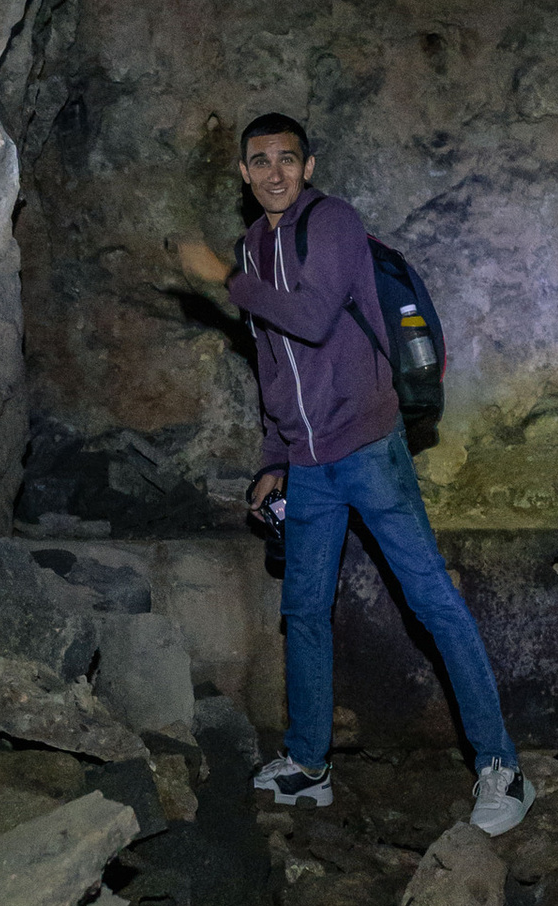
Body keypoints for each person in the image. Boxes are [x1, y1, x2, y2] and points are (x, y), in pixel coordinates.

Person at [175, 110, 534, 836]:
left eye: (287, 159)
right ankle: (309, 765)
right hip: (307, 466)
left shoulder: (332, 222)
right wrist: (274, 460)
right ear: (244, 175)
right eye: (260, 161)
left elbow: (309, 318)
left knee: (430, 596)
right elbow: (273, 364)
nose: (275, 171)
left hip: (369, 447)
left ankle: (501, 766)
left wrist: (221, 278)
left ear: (307, 168)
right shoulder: (254, 245)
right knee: (304, 610)